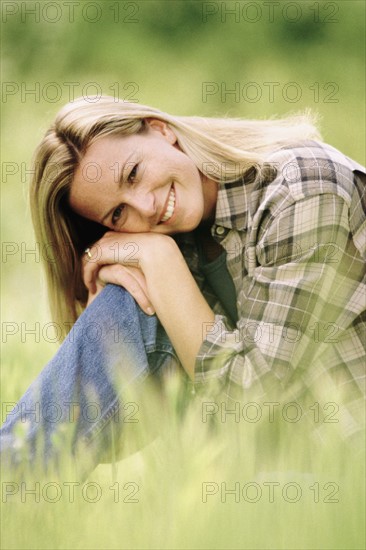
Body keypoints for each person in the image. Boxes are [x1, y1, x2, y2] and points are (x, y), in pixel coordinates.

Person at [1, 96, 365, 478]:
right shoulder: (181, 239)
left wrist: (159, 258)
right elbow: (123, 428)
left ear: (161, 130)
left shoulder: (302, 190)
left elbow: (252, 401)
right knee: (129, 295)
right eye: (118, 213)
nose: (146, 206)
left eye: (133, 173)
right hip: (254, 479)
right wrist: (109, 313)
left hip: (342, 475)